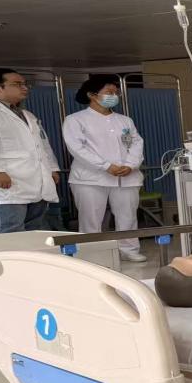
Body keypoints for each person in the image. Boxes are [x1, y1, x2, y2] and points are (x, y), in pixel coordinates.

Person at [0, 68, 60, 233]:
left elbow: (42, 144)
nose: (24, 88)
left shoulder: (27, 115)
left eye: (25, 84)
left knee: (36, 228)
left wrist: (52, 168)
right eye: (17, 84)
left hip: (37, 179)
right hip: (8, 180)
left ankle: (30, 252)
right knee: (10, 229)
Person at [62, 75, 146, 262]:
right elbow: (77, 148)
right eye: (109, 92)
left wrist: (130, 165)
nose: (114, 96)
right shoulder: (75, 120)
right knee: (91, 218)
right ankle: (91, 253)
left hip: (126, 176)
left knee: (127, 216)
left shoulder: (125, 120)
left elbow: (136, 143)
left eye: (116, 93)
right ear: (92, 95)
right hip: (90, 178)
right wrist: (106, 166)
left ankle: (128, 249)